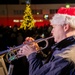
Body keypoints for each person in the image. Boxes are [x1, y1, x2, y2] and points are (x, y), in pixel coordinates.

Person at [18, 7, 75, 75]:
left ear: (65, 27)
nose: (52, 31)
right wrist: (37, 51)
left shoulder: (67, 56)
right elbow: (48, 66)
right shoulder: (66, 48)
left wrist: (31, 55)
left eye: (54, 27)